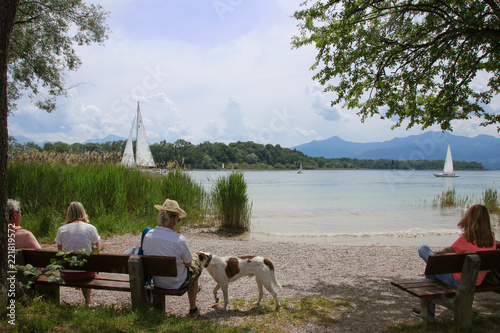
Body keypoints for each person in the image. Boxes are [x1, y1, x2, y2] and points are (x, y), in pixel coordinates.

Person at [413, 204, 500, 315]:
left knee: (424, 250)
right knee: (432, 272)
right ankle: (425, 308)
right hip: (477, 281)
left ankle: (426, 309)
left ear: (469, 218)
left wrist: (436, 254)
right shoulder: (491, 238)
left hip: (458, 281)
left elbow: (446, 251)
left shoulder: (466, 239)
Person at [142, 199, 203, 319]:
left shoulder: (148, 236)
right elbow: (188, 263)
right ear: (174, 219)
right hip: (176, 282)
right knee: (196, 267)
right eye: (178, 219)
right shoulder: (179, 240)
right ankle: (193, 309)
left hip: (158, 281)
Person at [54, 201, 100, 306]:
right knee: (87, 264)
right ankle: (88, 300)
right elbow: (96, 252)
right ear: (83, 212)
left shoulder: (61, 230)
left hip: (67, 274)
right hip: (86, 274)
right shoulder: (91, 228)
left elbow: (60, 253)